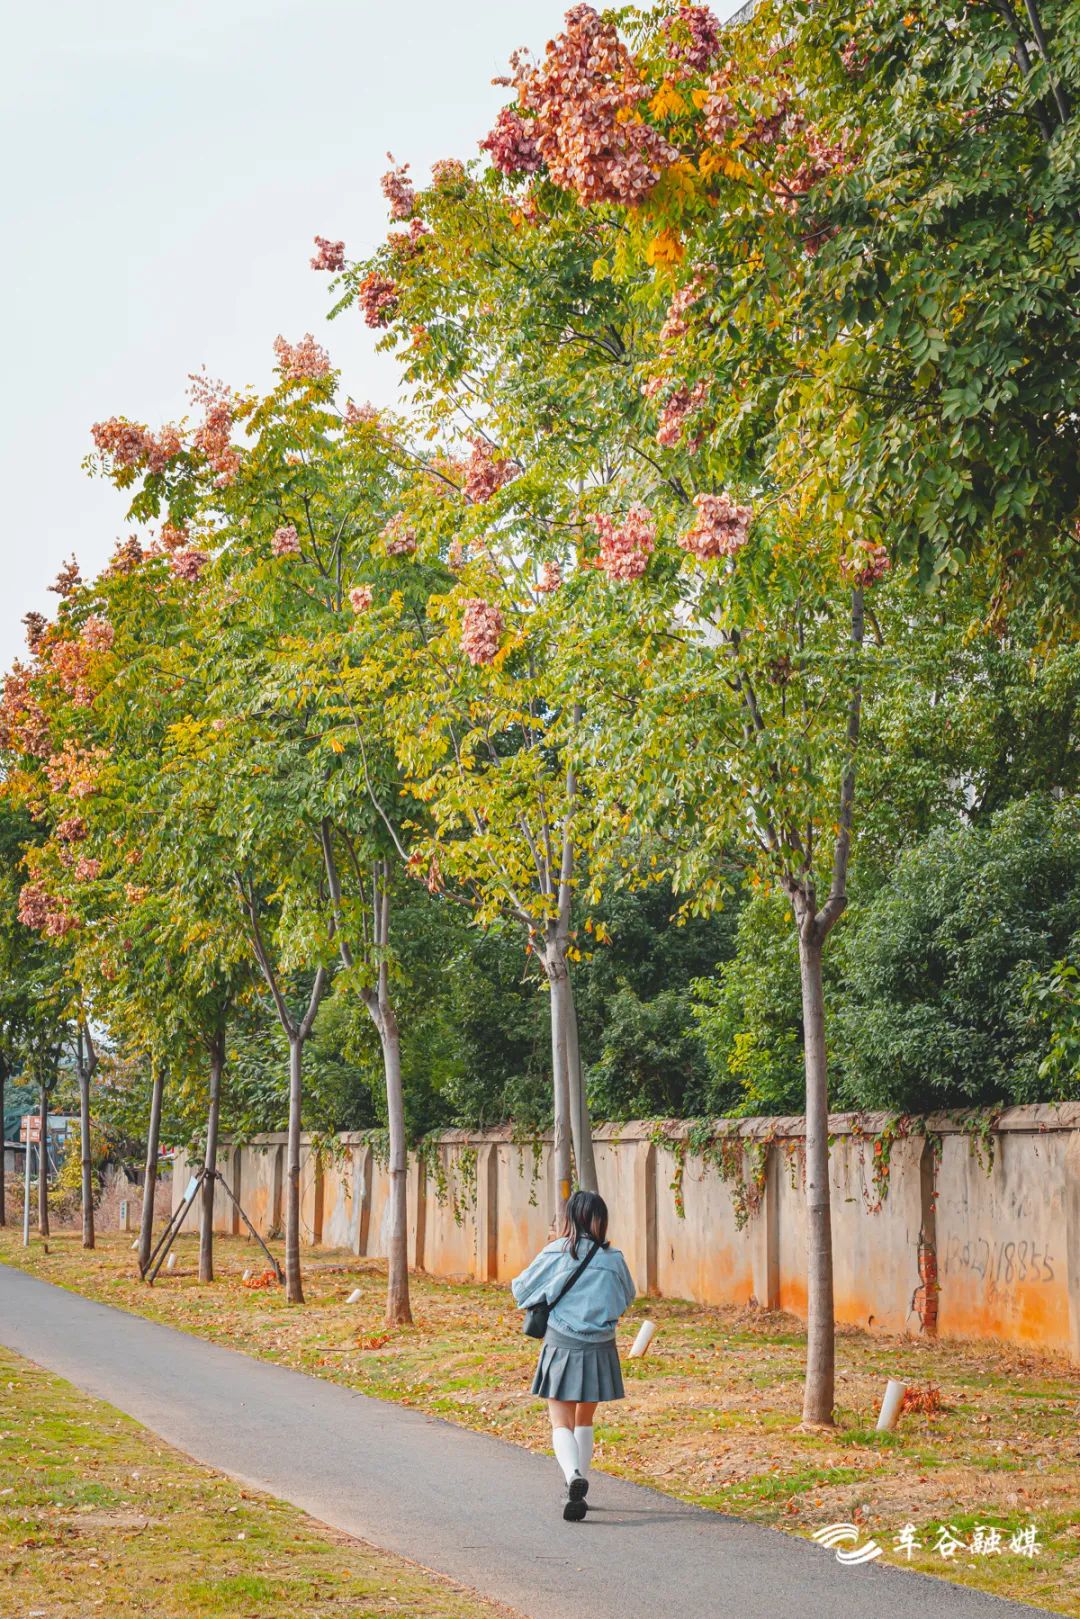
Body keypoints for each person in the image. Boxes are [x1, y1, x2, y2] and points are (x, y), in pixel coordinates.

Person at [511, 1190, 636, 1521]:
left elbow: (520, 1290)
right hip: (601, 1345)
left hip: (562, 1343)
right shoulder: (614, 1259)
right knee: (584, 1419)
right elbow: (627, 1297)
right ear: (600, 1220)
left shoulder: (556, 1253)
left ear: (570, 1218)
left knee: (560, 1421)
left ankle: (572, 1478)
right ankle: (580, 1484)